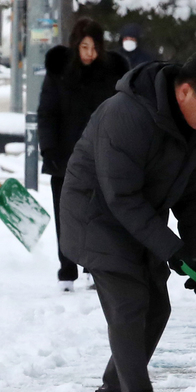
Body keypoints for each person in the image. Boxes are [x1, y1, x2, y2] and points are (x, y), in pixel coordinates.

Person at [60, 52, 196, 392]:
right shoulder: (125, 114)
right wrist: (173, 250)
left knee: (157, 306)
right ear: (185, 91)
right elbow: (120, 196)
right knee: (129, 302)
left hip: (139, 220)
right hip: (95, 216)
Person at [39, 17, 129, 290]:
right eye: (85, 47)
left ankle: (93, 265)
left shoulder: (112, 71)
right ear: (75, 45)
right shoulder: (59, 70)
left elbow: (124, 110)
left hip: (102, 155)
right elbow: (47, 112)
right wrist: (49, 150)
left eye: (95, 47)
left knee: (98, 214)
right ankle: (67, 269)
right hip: (64, 155)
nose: (90, 53)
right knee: (66, 214)